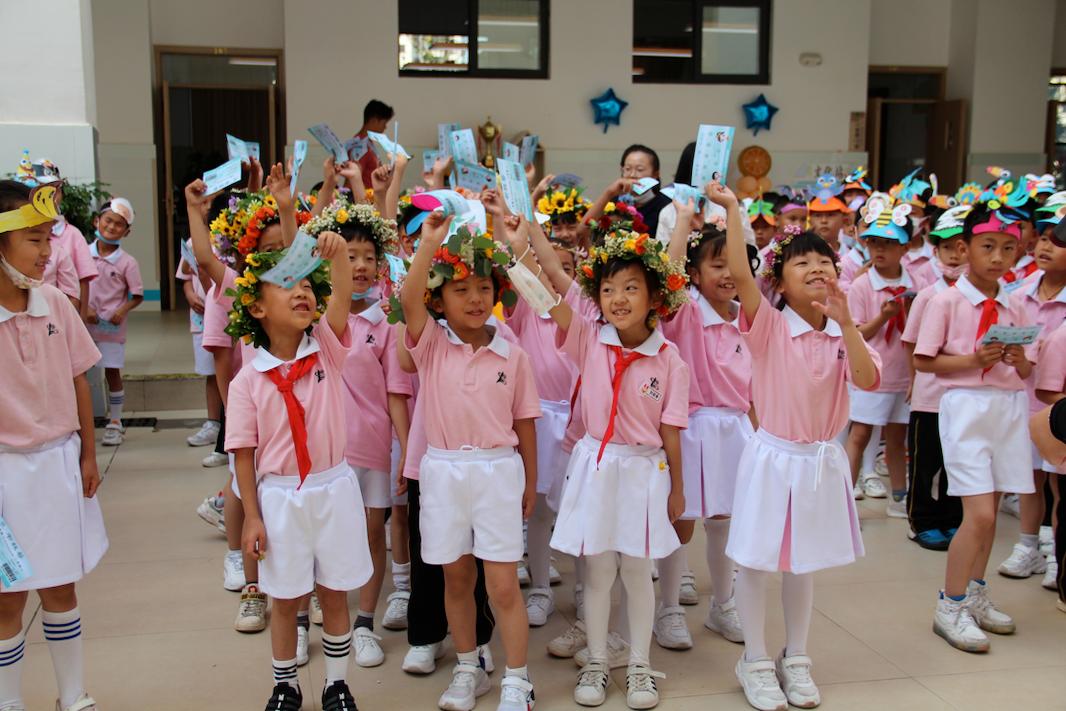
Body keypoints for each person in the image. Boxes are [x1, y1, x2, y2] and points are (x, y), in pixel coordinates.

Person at [507, 214, 691, 709]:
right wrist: (528, 234)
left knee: (637, 571)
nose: (618, 299)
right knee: (597, 571)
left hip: (644, 470)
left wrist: (678, 489)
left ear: (655, 297)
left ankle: (639, 665)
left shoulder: (670, 360)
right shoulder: (588, 336)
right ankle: (595, 660)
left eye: (631, 288)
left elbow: (671, 431)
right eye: (608, 289)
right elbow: (552, 277)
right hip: (595, 466)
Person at [718, 178, 880, 711]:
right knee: (757, 562)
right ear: (780, 284)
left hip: (819, 460)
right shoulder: (766, 325)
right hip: (773, 459)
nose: (816, 268)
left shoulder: (842, 332)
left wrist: (848, 324)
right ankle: (755, 659)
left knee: (801, 562)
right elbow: (741, 271)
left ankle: (798, 657)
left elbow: (868, 379)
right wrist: (734, 208)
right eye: (801, 263)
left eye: (824, 262)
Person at [226, 230, 373, 711]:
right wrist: (252, 516)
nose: (302, 291)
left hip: (333, 489)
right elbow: (243, 453)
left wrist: (337, 256)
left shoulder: (326, 348)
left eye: (308, 284)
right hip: (280, 497)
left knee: (334, 593)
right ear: (257, 307)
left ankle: (337, 684)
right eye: (287, 284)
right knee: (286, 598)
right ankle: (285, 685)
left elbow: (342, 296)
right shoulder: (248, 380)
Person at [400, 211, 540, 711]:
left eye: (484, 288)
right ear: (439, 301)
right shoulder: (431, 345)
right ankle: (468, 667)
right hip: (442, 473)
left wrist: (530, 482)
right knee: (456, 578)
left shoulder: (513, 355)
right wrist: (429, 244)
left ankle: (518, 680)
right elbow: (408, 299)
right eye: (461, 290)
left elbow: (525, 423)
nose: (476, 298)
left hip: (498, 472)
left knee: (502, 585)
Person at [0, 179, 108, 711]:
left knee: (61, 587)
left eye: (49, 238)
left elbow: (78, 380)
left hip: (58, 465)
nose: (48, 252)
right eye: (34, 240)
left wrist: (88, 453)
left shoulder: (58, 305)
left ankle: (72, 694)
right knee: (8, 596)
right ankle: (9, 701)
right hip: (6, 474)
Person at [914, 201, 1036, 653]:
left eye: (1008, 248)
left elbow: (1028, 370)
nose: (998, 257)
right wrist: (972, 360)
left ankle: (976, 593)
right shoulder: (944, 300)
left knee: (993, 513)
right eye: (988, 246)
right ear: (965, 248)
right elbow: (923, 360)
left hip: (1008, 407)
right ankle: (950, 604)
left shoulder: (1015, 303)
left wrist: (1019, 360)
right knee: (979, 514)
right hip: (966, 407)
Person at [306, 194, 413, 667]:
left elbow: (396, 391)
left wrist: (405, 451)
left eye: (369, 257)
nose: (362, 266)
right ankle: (309, 614)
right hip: (324, 449)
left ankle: (364, 623)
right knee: (321, 534)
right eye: (350, 256)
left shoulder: (385, 321)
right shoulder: (314, 317)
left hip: (372, 446)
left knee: (372, 531)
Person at [659, 201, 756, 652]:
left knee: (725, 521)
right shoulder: (688, 312)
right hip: (692, 428)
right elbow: (669, 277)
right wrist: (683, 220)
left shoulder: (748, 316)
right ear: (695, 275)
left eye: (734, 263)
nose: (728, 273)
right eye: (716, 265)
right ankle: (669, 609)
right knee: (681, 522)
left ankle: (723, 604)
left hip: (735, 430)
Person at [996, 198, 1066, 585]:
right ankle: (1028, 546)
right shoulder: (1018, 293)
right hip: (1024, 400)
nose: (1045, 247)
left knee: (1059, 481)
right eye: (1043, 238)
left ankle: (1056, 553)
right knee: (1029, 478)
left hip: (1058, 405)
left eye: (1057, 242)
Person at [844, 193, 924, 512]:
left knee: (896, 437)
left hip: (902, 375)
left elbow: (919, 335)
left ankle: (899, 499)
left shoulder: (916, 283)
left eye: (889, 244)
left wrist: (915, 377)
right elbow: (856, 334)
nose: (879, 249)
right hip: (871, 374)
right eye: (874, 242)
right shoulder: (862, 286)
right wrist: (884, 317)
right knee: (860, 433)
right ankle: (845, 498)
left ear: (905, 248)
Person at [900, 205, 969, 551]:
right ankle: (922, 521)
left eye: (961, 247)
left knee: (957, 463)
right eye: (945, 247)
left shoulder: (979, 297)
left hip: (966, 396)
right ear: (935, 250)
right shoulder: (928, 295)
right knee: (925, 463)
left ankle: (953, 519)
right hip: (929, 397)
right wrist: (913, 380)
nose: (953, 255)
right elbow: (910, 342)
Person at [85, 198, 144, 447]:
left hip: (111, 329)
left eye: (119, 224)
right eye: (108, 220)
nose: (111, 227)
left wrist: (122, 310)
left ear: (126, 232)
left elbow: (137, 295)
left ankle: (115, 422)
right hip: (84, 327)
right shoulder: (82, 254)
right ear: (96, 221)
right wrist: (84, 307)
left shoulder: (127, 262)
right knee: (80, 373)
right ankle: (81, 422)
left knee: (112, 372)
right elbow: (72, 285)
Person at [352, 99, 395, 190]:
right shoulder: (360, 146)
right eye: (384, 123)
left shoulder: (369, 143)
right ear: (374, 121)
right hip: (364, 197)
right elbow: (352, 179)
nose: (385, 127)